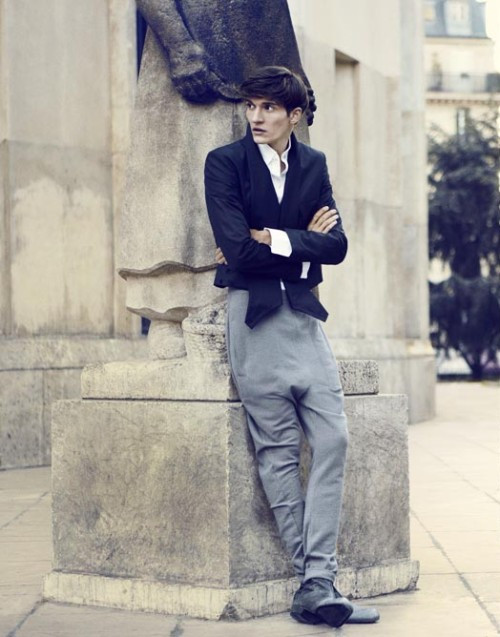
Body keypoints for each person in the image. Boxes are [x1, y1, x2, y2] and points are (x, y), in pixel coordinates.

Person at [204, 66, 379, 628]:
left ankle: (314, 584)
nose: (255, 117)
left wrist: (275, 238)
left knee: (334, 438)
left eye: (268, 108)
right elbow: (236, 250)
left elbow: (338, 247)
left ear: (294, 115)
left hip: (304, 321)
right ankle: (318, 581)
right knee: (278, 451)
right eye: (251, 106)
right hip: (253, 321)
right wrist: (303, 244)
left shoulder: (314, 165)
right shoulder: (225, 163)